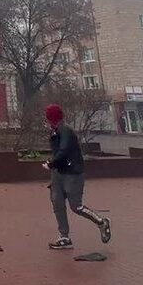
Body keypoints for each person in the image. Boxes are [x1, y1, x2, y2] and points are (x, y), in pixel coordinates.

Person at [43, 104, 112, 250]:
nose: (46, 121)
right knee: (57, 203)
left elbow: (64, 150)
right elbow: (57, 152)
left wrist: (51, 163)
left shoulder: (65, 131)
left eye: (47, 117)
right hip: (58, 174)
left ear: (52, 118)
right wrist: (52, 164)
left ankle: (101, 222)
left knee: (76, 206)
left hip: (72, 173)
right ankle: (64, 237)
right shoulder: (54, 132)